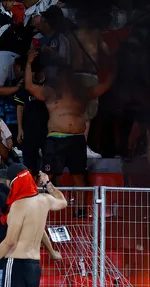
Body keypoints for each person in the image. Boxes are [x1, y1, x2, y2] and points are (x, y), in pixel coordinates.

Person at [25, 49, 113, 190]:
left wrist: (111, 66)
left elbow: (104, 86)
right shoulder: (50, 92)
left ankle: (80, 212)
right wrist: (29, 64)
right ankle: (36, 209)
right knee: (46, 176)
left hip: (77, 140)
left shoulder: (81, 93)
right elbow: (29, 86)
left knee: (79, 177)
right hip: (56, 140)